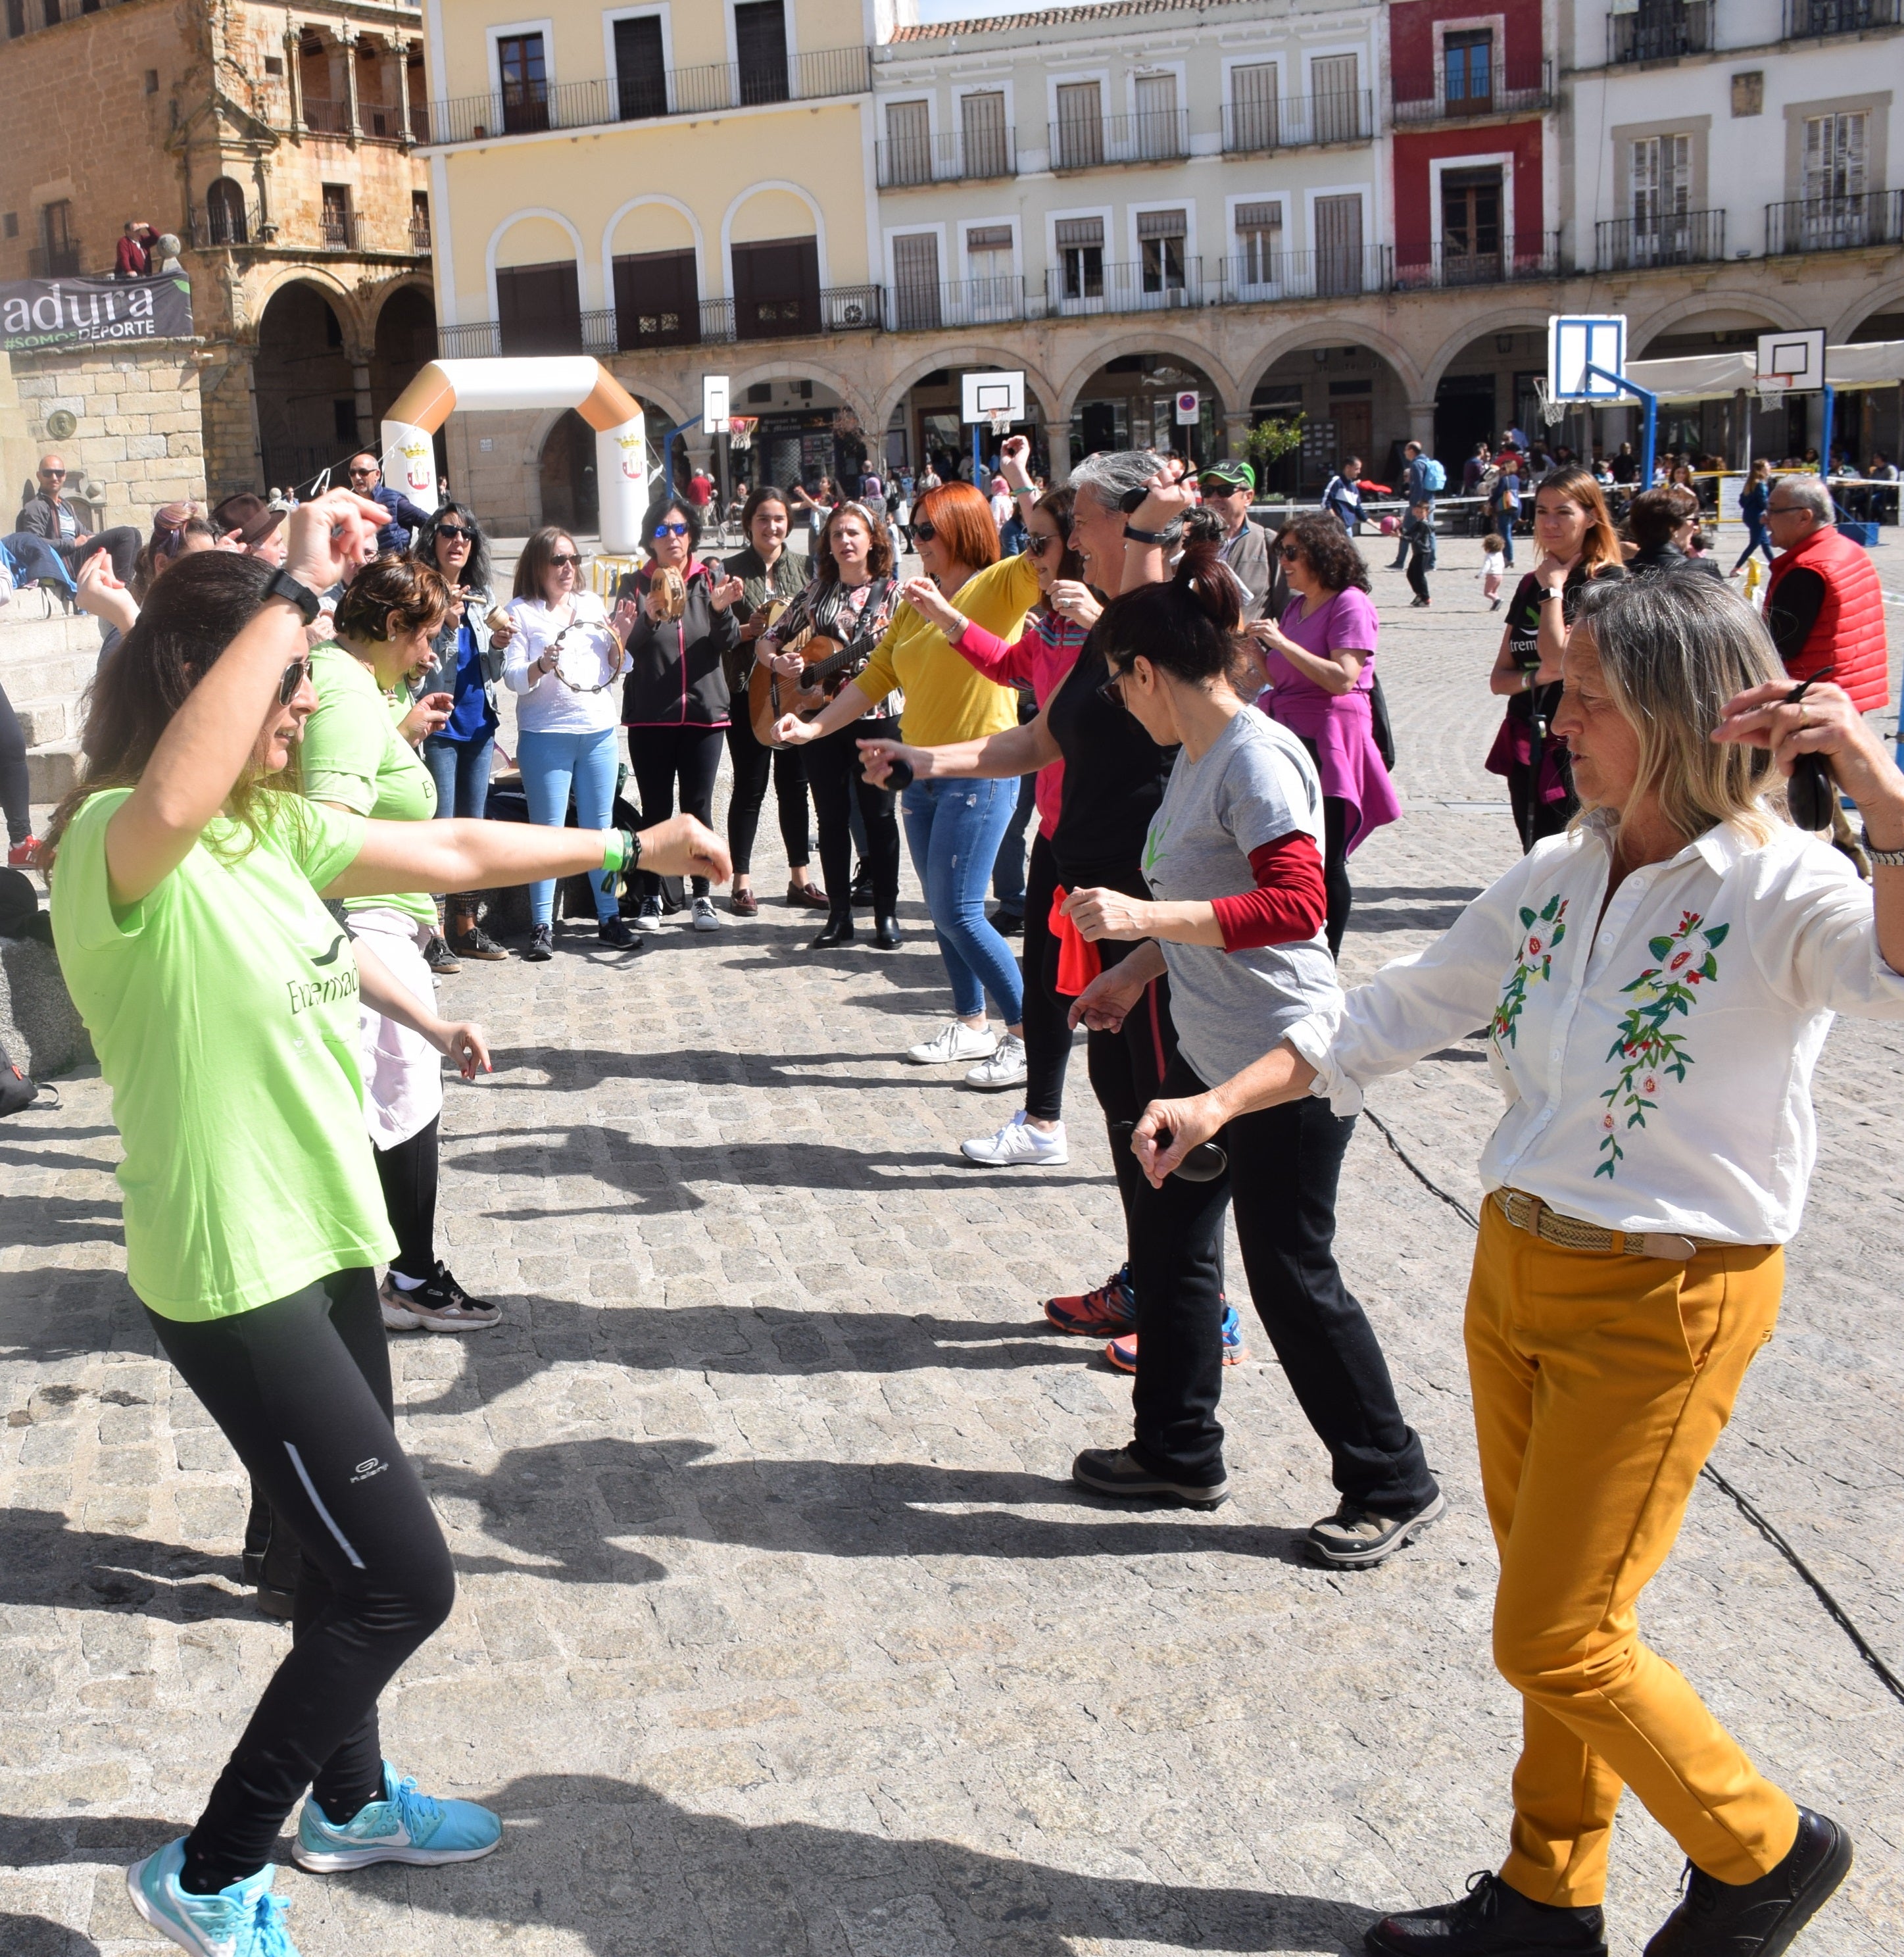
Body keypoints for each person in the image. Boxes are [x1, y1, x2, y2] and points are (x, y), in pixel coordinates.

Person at [1135, 572, 1895, 1957]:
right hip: (1517, 1272)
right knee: (1566, 1611)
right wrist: (1216, 1102)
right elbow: (1385, 1012)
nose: (1559, 716)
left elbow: (1897, 965)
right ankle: (1548, 1892)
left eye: (1589, 696)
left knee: (1558, 1629)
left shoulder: (1786, 882)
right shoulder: (1552, 870)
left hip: (1667, 1298)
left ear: (1671, 713)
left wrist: (1872, 779)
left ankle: (1761, 1847)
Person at [42, 493, 730, 1957]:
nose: (309, 704)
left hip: (325, 1241)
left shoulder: (267, 829)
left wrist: (623, 843)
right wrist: (294, 580)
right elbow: (170, 790)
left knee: (343, 1559)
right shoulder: (123, 840)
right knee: (404, 1578)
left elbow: (452, 851)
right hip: (235, 1272)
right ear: (203, 688)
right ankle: (215, 1867)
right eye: (285, 682)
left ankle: (347, 1802)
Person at [1052, 530, 1441, 1558]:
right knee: (1173, 1252)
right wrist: (1130, 974)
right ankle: (1176, 1450)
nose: (1119, 701)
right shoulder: (1188, 758)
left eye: (1117, 683)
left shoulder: (1257, 754)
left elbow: (1294, 904)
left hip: (1284, 1060)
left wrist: (1138, 921)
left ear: (1144, 671)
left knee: (1289, 1274)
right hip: (1197, 1049)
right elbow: (1198, 899)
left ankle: (1389, 1478)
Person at [854, 451, 1190, 1352]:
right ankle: (1143, 1277)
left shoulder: (1154, 625)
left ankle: (1196, 1311)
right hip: (1080, 885)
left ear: (1125, 528)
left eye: (1077, 522)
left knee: (1162, 1103)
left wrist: (1154, 530)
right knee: (1119, 1097)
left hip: (1142, 904)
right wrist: (922, 759)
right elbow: (1035, 736)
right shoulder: (1093, 638)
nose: (1065, 538)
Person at [299, 555, 501, 1335]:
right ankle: (410, 1277)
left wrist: (400, 724)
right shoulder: (347, 691)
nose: (430, 653)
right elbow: (328, 834)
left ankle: (392, 1271)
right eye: (426, 637)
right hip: (368, 924)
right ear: (390, 627)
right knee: (405, 1100)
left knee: (388, 1103)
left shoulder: (356, 687)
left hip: (379, 924)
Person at [775, 480, 1035, 1079]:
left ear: (962, 530)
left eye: (926, 530)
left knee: (962, 911)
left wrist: (1019, 483)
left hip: (981, 769)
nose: (915, 541)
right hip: (920, 775)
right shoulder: (917, 601)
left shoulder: (997, 585)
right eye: (913, 529)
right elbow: (875, 679)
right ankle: (972, 1023)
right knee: (942, 911)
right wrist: (813, 729)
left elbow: (1042, 549)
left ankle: (1025, 1035)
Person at [908, 462, 1093, 1168]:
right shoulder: (1050, 623)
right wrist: (945, 618)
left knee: (965, 913)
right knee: (1046, 981)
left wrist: (1018, 477)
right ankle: (1041, 1118)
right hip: (1054, 820)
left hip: (1106, 827)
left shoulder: (1086, 613)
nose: (1033, 552)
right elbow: (1012, 667)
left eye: (1042, 542)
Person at [1249, 514, 1400, 955]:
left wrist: (1279, 644)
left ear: (1323, 553)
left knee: (1328, 856)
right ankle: (1300, 940)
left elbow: (1341, 678)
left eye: (1293, 553)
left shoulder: (1349, 603)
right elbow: (1283, 680)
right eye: (1282, 553)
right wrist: (1253, 652)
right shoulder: (1296, 607)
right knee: (1298, 850)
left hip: (1331, 739)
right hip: (1292, 736)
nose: (1285, 563)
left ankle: (1326, 955)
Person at [758, 501, 904, 950]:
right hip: (818, 718)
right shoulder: (816, 591)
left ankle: (886, 912)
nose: (844, 541)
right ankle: (839, 913)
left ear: (873, 541)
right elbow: (768, 639)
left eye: (853, 533)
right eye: (837, 534)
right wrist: (777, 660)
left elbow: (910, 651)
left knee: (880, 817)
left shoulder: (894, 595)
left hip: (877, 716)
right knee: (831, 817)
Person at [504, 527, 643, 958]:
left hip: (598, 729)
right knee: (547, 835)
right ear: (538, 566)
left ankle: (610, 917)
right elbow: (511, 677)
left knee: (602, 832)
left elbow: (618, 665)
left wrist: (620, 637)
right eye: (558, 560)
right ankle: (542, 924)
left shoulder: (591, 605)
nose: (568, 568)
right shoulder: (521, 612)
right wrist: (540, 664)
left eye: (574, 559)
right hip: (546, 735)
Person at [618, 494, 745, 934]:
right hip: (651, 714)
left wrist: (720, 608)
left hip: (704, 712)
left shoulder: (711, 579)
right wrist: (647, 619)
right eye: (661, 530)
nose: (671, 537)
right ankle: (652, 895)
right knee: (655, 808)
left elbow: (727, 640)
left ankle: (702, 897)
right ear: (649, 540)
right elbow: (625, 648)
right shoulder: (633, 584)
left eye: (679, 529)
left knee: (697, 808)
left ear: (691, 535)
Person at [1486, 464, 1626, 851]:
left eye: (1563, 512)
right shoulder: (1530, 582)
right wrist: (1537, 678)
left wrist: (1554, 591)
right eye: (1542, 511)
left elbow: (1562, 659)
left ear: (1592, 516)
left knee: (1580, 854)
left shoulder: (1609, 581)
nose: (1550, 523)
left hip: (1581, 742)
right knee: (1537, 853)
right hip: (1527, 737)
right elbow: (1500, 679)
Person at [411, 503, 514, 964]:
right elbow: (417, 669)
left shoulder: (483, 592)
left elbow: (491, 669)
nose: (458, 540)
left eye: (467, 533)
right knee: (440, 832)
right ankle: (429, 935)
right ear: (433, 537)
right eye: (449, 531)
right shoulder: (419, 592)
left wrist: (497, 645)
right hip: (438, 729)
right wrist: (448, 626)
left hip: (478, 724)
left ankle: (465, 928)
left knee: (470, 832)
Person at [721, 485, 823, 916]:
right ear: (749, 524)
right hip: (746, 691)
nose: (772, 526)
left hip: (795, 695)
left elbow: (820, 625)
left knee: (795, 788)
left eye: (779, 518)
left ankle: (800, 877)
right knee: (748, 786)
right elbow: (720, 636)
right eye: (763, 518)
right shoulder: (728, 571)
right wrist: (751, 629)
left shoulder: (805, 568)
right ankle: (741, 883)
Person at [1762, 473, 1889, 733]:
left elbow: (1779, 644)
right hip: (1845, 690)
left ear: (1804, 517)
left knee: (1811, 773)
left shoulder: (1807, 569)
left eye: (1773, 511)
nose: (1765, 519)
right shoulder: (1847, 549)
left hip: (1814, 699)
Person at [14, 454, 140, 582]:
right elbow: (33, 543)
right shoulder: (36, 506)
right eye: (48, 473)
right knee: (126, 534)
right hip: (65, 561)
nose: (54, 477)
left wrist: (92, 537)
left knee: (135, 534)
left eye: (59, 473)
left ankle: (127, 584)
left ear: (64, 476)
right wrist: (73, 544)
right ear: (39, 476)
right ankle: (121, 586)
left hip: (78, 555)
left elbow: (83, 532)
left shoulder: (66, 505)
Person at [1198, 458, 1283, 623]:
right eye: (1208, 490)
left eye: (1225, 490)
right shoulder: (1190, 542)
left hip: (1250, 646)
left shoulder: (1268, 543)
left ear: (1248, 497)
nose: (1215, 497)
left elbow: (1291, 611)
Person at [1626, 484, 1722, 580]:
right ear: (1673, 528)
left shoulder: (1621, 574)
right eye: (1694, 520)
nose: (1696, 527)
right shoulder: (1701, 570)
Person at [345, 452, 433, 557]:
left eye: (363, 472)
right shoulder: (350, 505)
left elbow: (429, 522)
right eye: (352, 473)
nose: (357, 477)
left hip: (393, 570)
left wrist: (417, 554)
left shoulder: (394, 501)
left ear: (377, 475)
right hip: (365, 570)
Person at [1387, 441, 1436, 568]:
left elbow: (1418, 485)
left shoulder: (1416, 464)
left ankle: (1400, 562)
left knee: (1406, 530)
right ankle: (1431, 563)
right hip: (1429, 501)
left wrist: (1415, 505)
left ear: (1412, 451)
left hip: (1419, 504)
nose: (1404, 452)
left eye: (1406, 450)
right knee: (1429, 531)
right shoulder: (1427, 462)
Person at [1730, 457, 1774, 576]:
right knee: (1757, 543)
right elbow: (1764, 502)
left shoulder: (1750, 484)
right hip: (1758, 517)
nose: (1770, 468)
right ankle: (1736, 567)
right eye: (1767, 467)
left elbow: (1742, 501)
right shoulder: (1761, 485)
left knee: (1763, 543)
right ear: (1761, 470)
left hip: (1749, 516)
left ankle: (1775, 566)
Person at [1486, 453, 1523, 568]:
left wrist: (1491, 502)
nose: (1501, 470)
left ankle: (1509, 558)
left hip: (1506, 507)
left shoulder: (1504, 480)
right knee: (1507, 532)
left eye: (1503, 468)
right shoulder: (1516, 479)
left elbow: (1498, 493)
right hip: (1516, 507)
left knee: (1505, 533)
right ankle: (1506, 556)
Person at [1400, 499, 1435, 607]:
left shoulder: (1423, 525)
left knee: (1419, 575)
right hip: (1418, 552)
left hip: (1423, 552)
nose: (1419, 514)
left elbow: (1413, 538)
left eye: (1422, 512)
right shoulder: (1418, 523)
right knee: (1411, 574)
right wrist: (1400, 527)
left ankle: (1426, 598)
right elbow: (1408, 534)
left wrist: (1400, 536)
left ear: (1427, 513)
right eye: (1418, 512)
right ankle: (1419, 594)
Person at [1321, 457, 1364, 533]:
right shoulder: (1337, 482)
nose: (1359, 472)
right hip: (1336, 529)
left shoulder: (1353, 488)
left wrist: (1375, 524)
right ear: (1348, 468)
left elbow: (1358, 509)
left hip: (1348, 528)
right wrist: (1336, 520)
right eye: (1357, 469)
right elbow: (1326, 503)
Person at [1478, 531, 1506, 610]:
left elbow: (1486, 566)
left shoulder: (1489, 556)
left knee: (1487, 592)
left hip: (1492, 575)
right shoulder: (1500, 554)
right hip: (1500, 575)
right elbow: (1503, 564)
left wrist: (1480, 574)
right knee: (1494, 591)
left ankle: (1497, 600)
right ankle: (1495, 604)